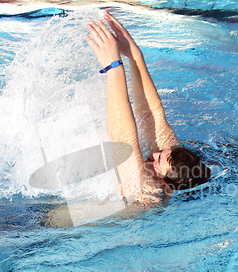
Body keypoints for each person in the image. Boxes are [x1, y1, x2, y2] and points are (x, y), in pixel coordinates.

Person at [85, 11, 211, 205]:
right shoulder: (174, 161)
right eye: (161, 153)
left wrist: (114, 67)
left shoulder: (147, 190)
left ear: (164, 183)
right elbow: (153, 117)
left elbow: (122, 140)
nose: (153, 155)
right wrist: (134, 55)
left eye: (157, 161)